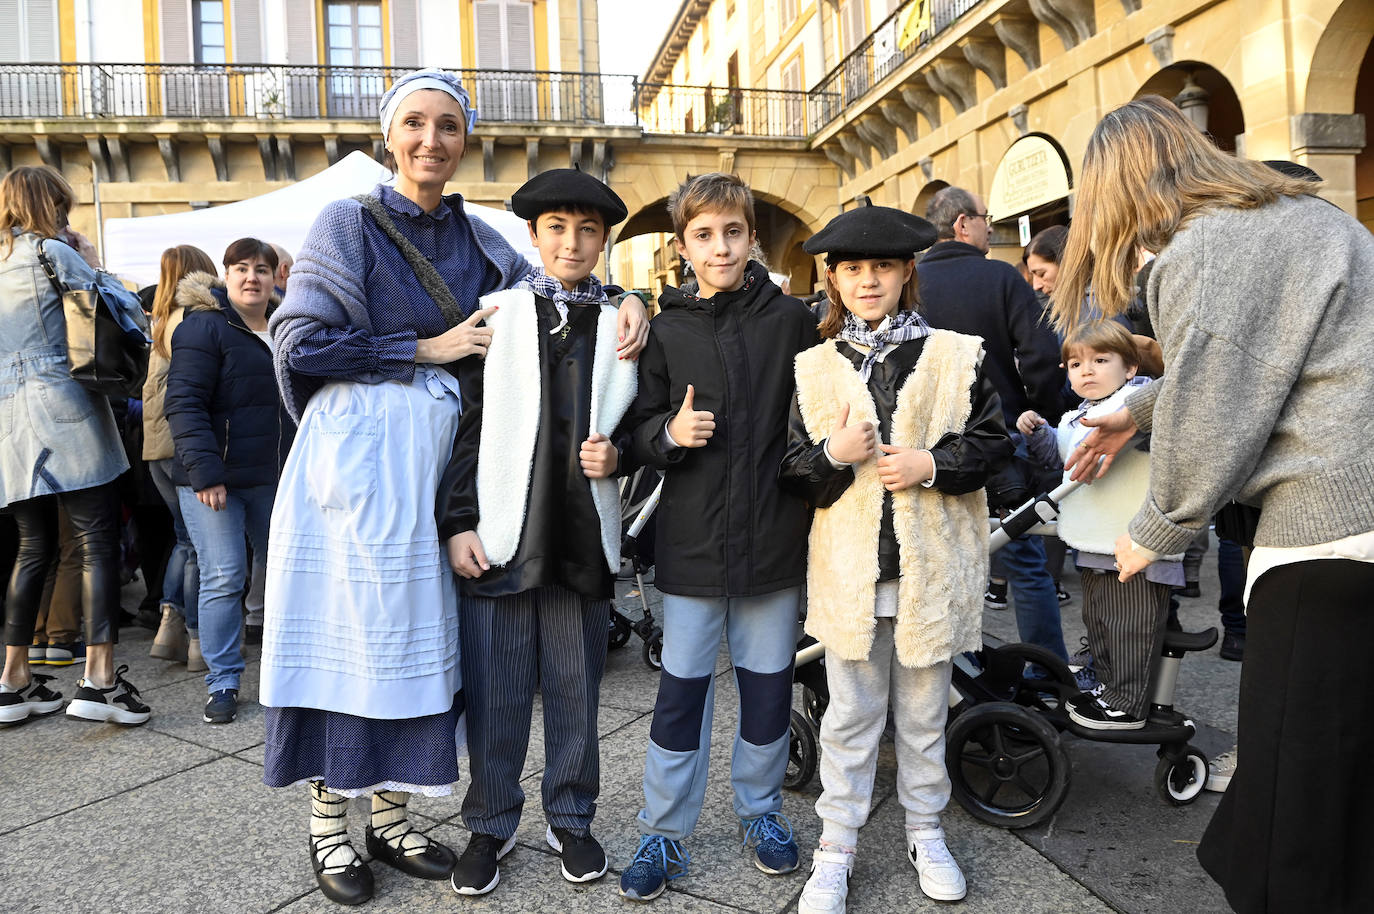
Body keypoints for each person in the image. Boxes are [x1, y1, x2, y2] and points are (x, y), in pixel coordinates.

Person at [260, 69, 648, 908]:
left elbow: (559, 283)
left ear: (464, 139)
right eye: (414, 124)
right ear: (388, 135)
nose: (430, 140)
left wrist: (636, 299)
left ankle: (395, 820)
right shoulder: (346, 222)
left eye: (446, 126)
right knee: (348, 640)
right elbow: (297, 345)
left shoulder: (481, 242)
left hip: (438, 468)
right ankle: (331, 823)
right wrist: (421, 349)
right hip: (360, 465)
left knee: (418, 652)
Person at [1055, 95, 1374, 914]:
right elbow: (1268, 369)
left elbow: (1222, 403)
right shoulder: (1304, 214)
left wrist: (1153, 527)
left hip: (1327, 532)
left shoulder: (1207, 248)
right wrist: (1137, 409)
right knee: (1346, 779)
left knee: (1291, 790)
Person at [780, 205, 1011, 912]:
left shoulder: (953, 354)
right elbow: (795, 469)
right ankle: (837, 844)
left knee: (921, 714)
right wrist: (832, 455)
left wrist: (929, 464)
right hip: (852, 574)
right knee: (849, 716)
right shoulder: (815, 367)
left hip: (928, 573)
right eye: (853, 269)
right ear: (835, 279)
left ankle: (924, 828)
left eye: (882, 266)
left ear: (907, 272)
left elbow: (991, 444)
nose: (868, 279)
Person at [437, 167, 640, 895]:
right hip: (501, 534)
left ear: (605, 239)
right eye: (557, 228)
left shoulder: (624, 321)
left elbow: (646, 419)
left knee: (575, 687)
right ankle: (490, 825)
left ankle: (572, 817)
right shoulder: (497, 316)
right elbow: (464, 426)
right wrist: (458, 521)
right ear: (533, 235)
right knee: (496, 690)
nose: (573, 242)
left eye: (588, 230)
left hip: (584, 530)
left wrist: (640, 298)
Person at [618, 173, 817, 903]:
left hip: (772, 541)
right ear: (682, 246)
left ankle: (761, 813)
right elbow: (635, 431)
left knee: (768, 692)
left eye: (733, 232)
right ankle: (663, 829)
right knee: (680, 696)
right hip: (693, 545)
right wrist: (670, 433)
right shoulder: (666, 330)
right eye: (704, 234)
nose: (721, 246)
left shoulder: (792, 321)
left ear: (752, 237)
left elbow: (815, 416)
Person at [0, 165, 151, 726]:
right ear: (48, 205)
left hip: (8, 423)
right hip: (62, 409)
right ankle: (100, 681)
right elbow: (128, 315)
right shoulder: (52, 253)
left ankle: (13, 681)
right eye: (61, 206)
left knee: (31, 547)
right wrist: (92, 260)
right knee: (95, 542)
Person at [918, 186, 1069, 663]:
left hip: (928, 447)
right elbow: (1042, 354)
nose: (990, 226)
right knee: (1024, 560)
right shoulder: (1001, 278)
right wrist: (1038, 410)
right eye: (985, 218)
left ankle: (954, 673)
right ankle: (1045, 670)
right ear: (963, 224)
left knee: (936, 560)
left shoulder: (909, 281)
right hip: (1001, 435)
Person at [1018, 320, 1179, 729]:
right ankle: (1106, 686)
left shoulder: (1139, 403)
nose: (1085, 370)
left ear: (1129, 368)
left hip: (1137, 541)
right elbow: (1061, 463)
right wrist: (1039, 434)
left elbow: (1157, 428)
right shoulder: (1078, 416)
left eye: (1100, 360)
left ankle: (1126, 702)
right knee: (1101, 622)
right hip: (1094, 543)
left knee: (1131, 627)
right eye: (1074, 364)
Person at [164, 238, 292, 726]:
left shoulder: (287, 326)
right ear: (226, 274)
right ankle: (223, 681)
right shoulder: (205, 326)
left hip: (272, 476)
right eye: (240, 268)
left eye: (261, 269)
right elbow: (184, 403)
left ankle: (284, 674)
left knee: (283, 575)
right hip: (213, 479)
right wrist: (206, 473)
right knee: (223, 576)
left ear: (275, 275)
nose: (251, 278)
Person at [144, 244, 217, 673]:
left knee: (184, 540)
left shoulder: (160, 321)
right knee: (200, 550)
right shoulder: (193, 320)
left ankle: (168, 626)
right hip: (185, 448)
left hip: (158, 450)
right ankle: (196, 639)